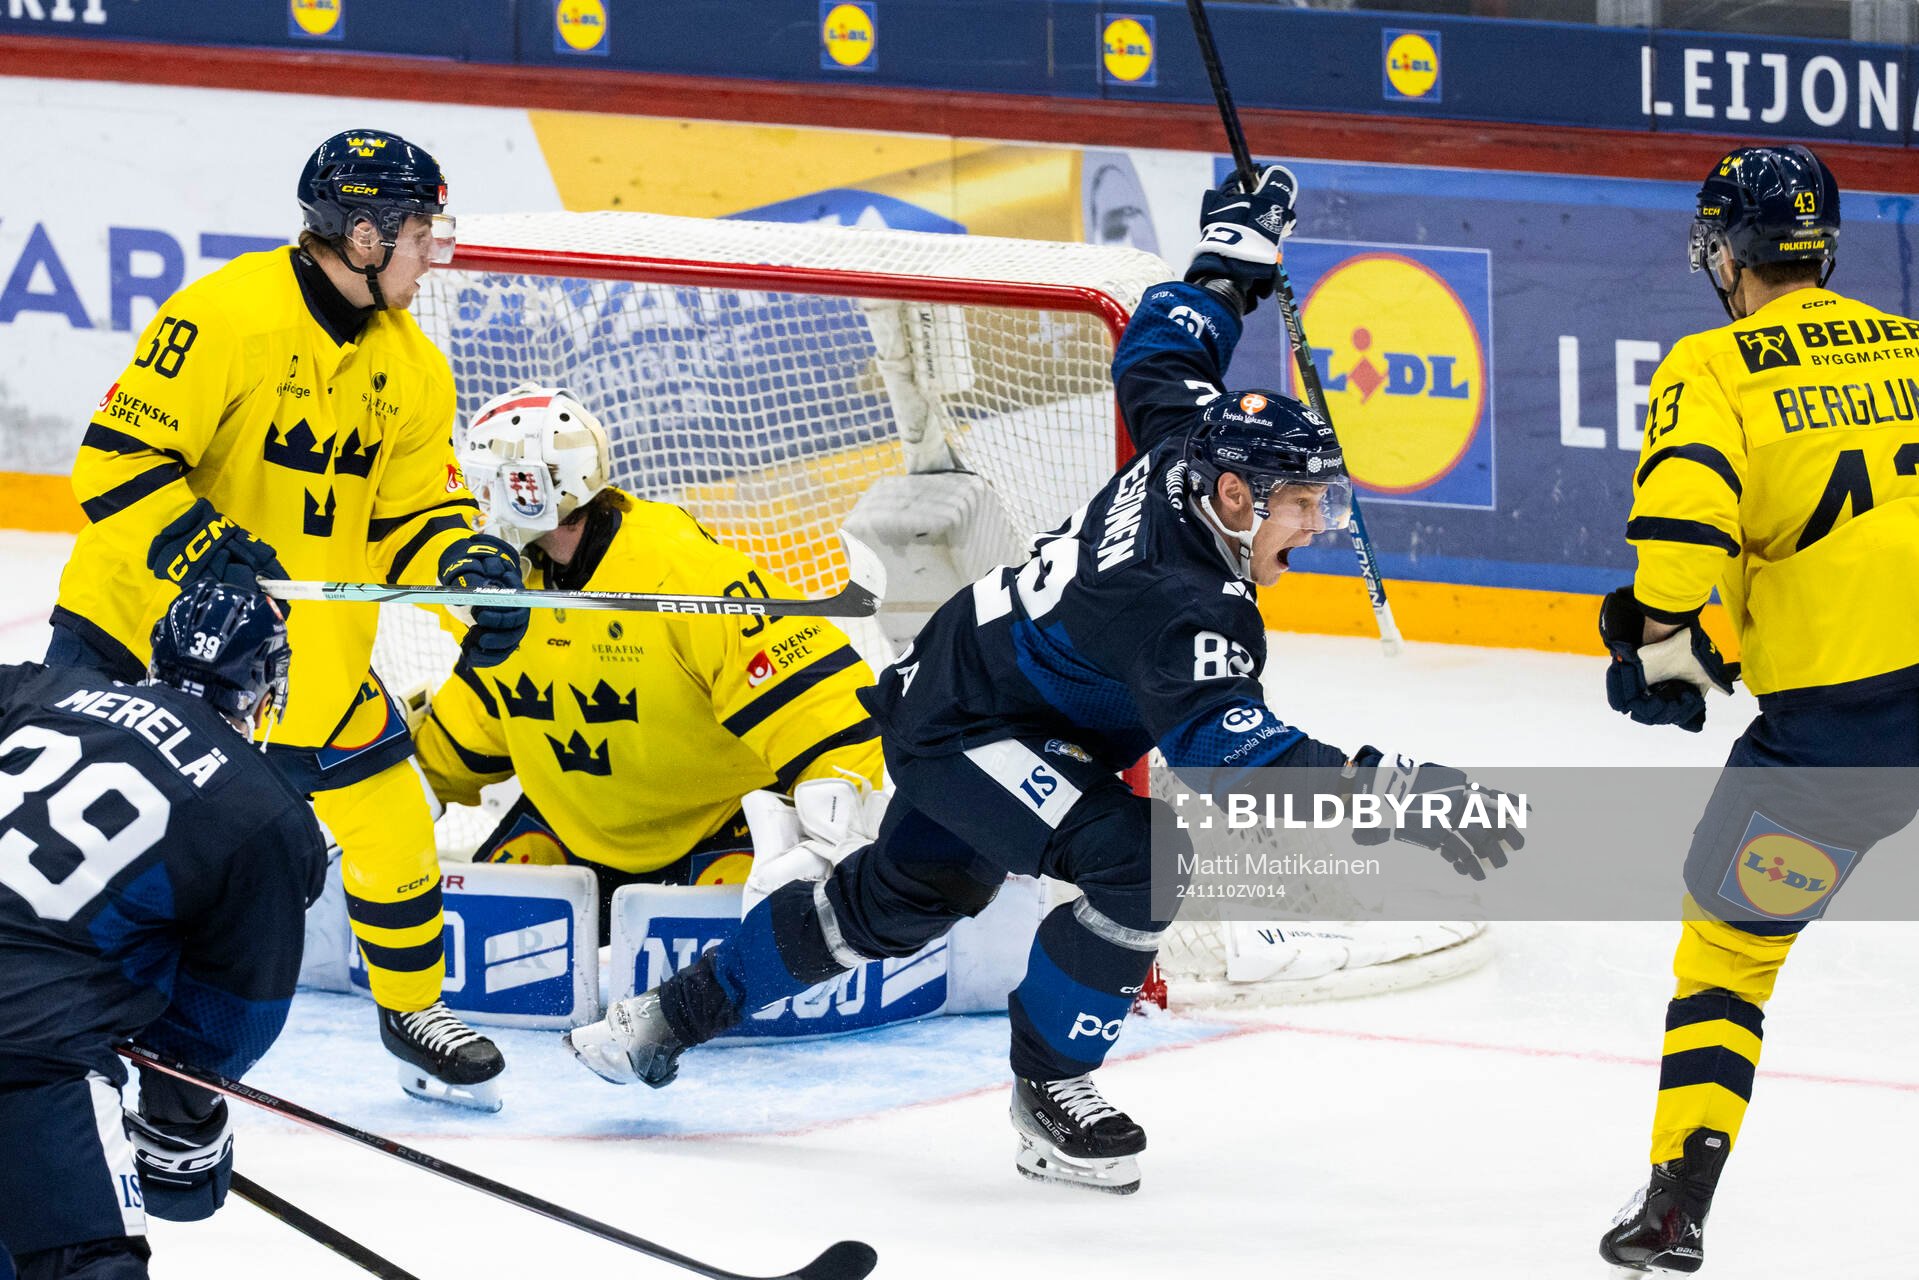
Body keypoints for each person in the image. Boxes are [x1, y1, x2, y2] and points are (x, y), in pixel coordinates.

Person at [564, 170, 1521, 1193]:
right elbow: (1229, 759)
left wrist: (1228, 259)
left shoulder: (1183, 448)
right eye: (1298, 503)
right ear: (1234, 494)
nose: (1315, 525)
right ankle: (1050, 1088)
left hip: (971, 692)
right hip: (973, 725)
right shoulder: (1179, 600)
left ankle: (660, 1018)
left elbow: (1161, 348)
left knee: (890, 908)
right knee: (1142, 861)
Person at [46, 129, 528, 1111]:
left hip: (299, 659)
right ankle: (49, 1019)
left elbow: (410, 518)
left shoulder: (415, 367)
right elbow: (113, 465)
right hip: (144, 640)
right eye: (420, 229)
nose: (434, 250)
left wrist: (465, 573)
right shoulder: (225, 314)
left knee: (390, 815)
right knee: (76, 838)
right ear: (362, 234)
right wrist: (203, 552)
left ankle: (409, 1012)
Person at [1596, 144, 1919, 1272]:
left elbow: (1678, 558)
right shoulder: (1912, 343)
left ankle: (1675, 1202)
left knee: (1729, 951)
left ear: (1724, 250)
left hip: (1840, 743)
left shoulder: (1712, 363)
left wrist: (1652, 650)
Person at [410, 384, 886, 936]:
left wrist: (835, 820)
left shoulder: (686, 576)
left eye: (491, 485)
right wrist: (404, 773)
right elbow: (498, 702)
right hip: (572, 832)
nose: (477, 504)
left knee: (743, 965)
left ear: (536, 490)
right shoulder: (508, 589)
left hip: (719, 829)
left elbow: (824, 705)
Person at [0, 582, 326, 1279]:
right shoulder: (265, 813)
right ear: (266, 689)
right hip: (29, 1057)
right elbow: (228, 1018)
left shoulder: (37, 690)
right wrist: (182, 1129)